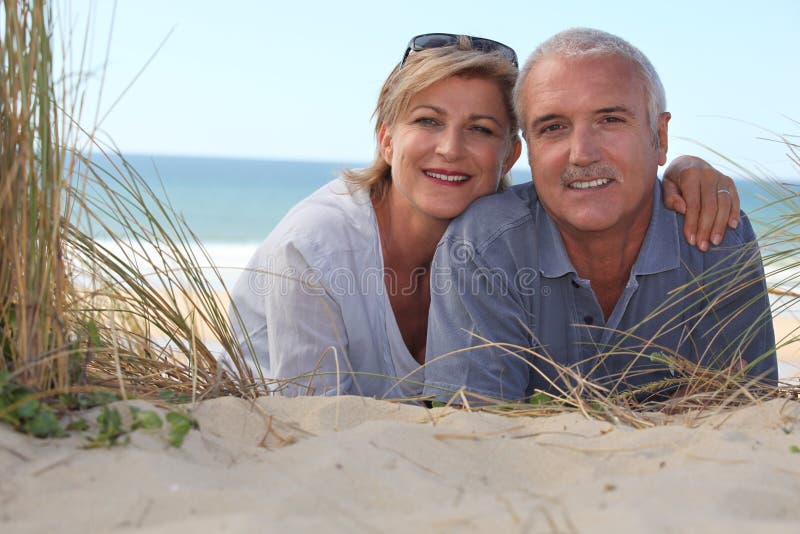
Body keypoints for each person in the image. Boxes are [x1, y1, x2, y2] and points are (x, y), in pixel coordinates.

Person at [230, 33, 742, 399]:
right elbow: (306, 424)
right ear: (387, 139)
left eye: (479, 129)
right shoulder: (311, 250)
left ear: (512, 154)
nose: (450, 149)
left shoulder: (494, 239)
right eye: (428, 121)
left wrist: (684, 167)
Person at [422, 28, 778, 404]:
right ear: (529, 150)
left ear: (659, 136)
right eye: (553, 127)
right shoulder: (483, 246)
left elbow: (744, 414)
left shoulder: (714, 236)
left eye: (610, 120)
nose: (582, 153)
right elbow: (475, 428)